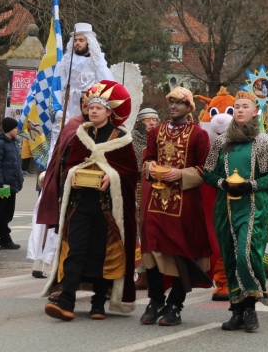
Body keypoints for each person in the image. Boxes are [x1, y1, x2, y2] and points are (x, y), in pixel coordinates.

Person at [43, 80, 138, 321]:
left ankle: (98, 303)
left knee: (100, 253)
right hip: (81, 203)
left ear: (109, 112)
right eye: (91, 107)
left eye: (99, 107)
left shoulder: (121, 139)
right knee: (75, 249)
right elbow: (71, 165)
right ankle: (66, 301)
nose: (93, 111)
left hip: (107, 208)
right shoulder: (81, 136)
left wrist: (111, 177)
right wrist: (73, 176)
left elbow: (129, 173)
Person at [202, 91, 268, 333]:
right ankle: (236, 310)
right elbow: (207, 172)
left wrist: (252, 185)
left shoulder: (264, 141)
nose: (238, 110)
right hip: (225, 206)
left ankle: (251, 307)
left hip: (254, 206)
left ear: (254, 111)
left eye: (244, 106)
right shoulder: (222, 141)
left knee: (245, 254)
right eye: (236, 106)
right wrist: (222, 183)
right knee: (229, 256)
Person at [139, 89, 214, 327]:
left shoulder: (199, 135)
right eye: (170, 102)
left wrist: (180, 173)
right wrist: (150, 168)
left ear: (189, 107)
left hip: (185, 204)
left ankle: (175, 304)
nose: (173, 106)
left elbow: (206, 169)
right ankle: (155, 299)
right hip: (156, 201)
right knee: (151, 250)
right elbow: (147, 159)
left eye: (179, 103)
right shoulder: (157, 132)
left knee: (182, 253)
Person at [55, 23, 114, 120]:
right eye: (75, 40)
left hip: (88, 106)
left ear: (88, 42)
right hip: (68, 106)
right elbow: (59, 85)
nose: (77, 43)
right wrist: (58, 109)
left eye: (81, 40)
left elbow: (107, 84)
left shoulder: (97, 61)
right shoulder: (66, 61)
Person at [130, 107, 159, 289]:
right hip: (137, 190)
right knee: (138, 234)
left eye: (155, 120)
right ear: (140, 123)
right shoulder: (132, 140)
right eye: (148, 120)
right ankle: (141, 273)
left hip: (155, 189)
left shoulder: (159, 139)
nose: (152, 123)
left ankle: (155, 272)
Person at [0, 118, 24, 251]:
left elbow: (16, 164)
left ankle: (4, 238)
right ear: (9, 129)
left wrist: (20, 179)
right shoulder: (0, 144)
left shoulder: (13, 142)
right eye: (15, 128)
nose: (16, 130)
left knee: (7, 213)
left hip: (11, 184)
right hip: (1, 185)